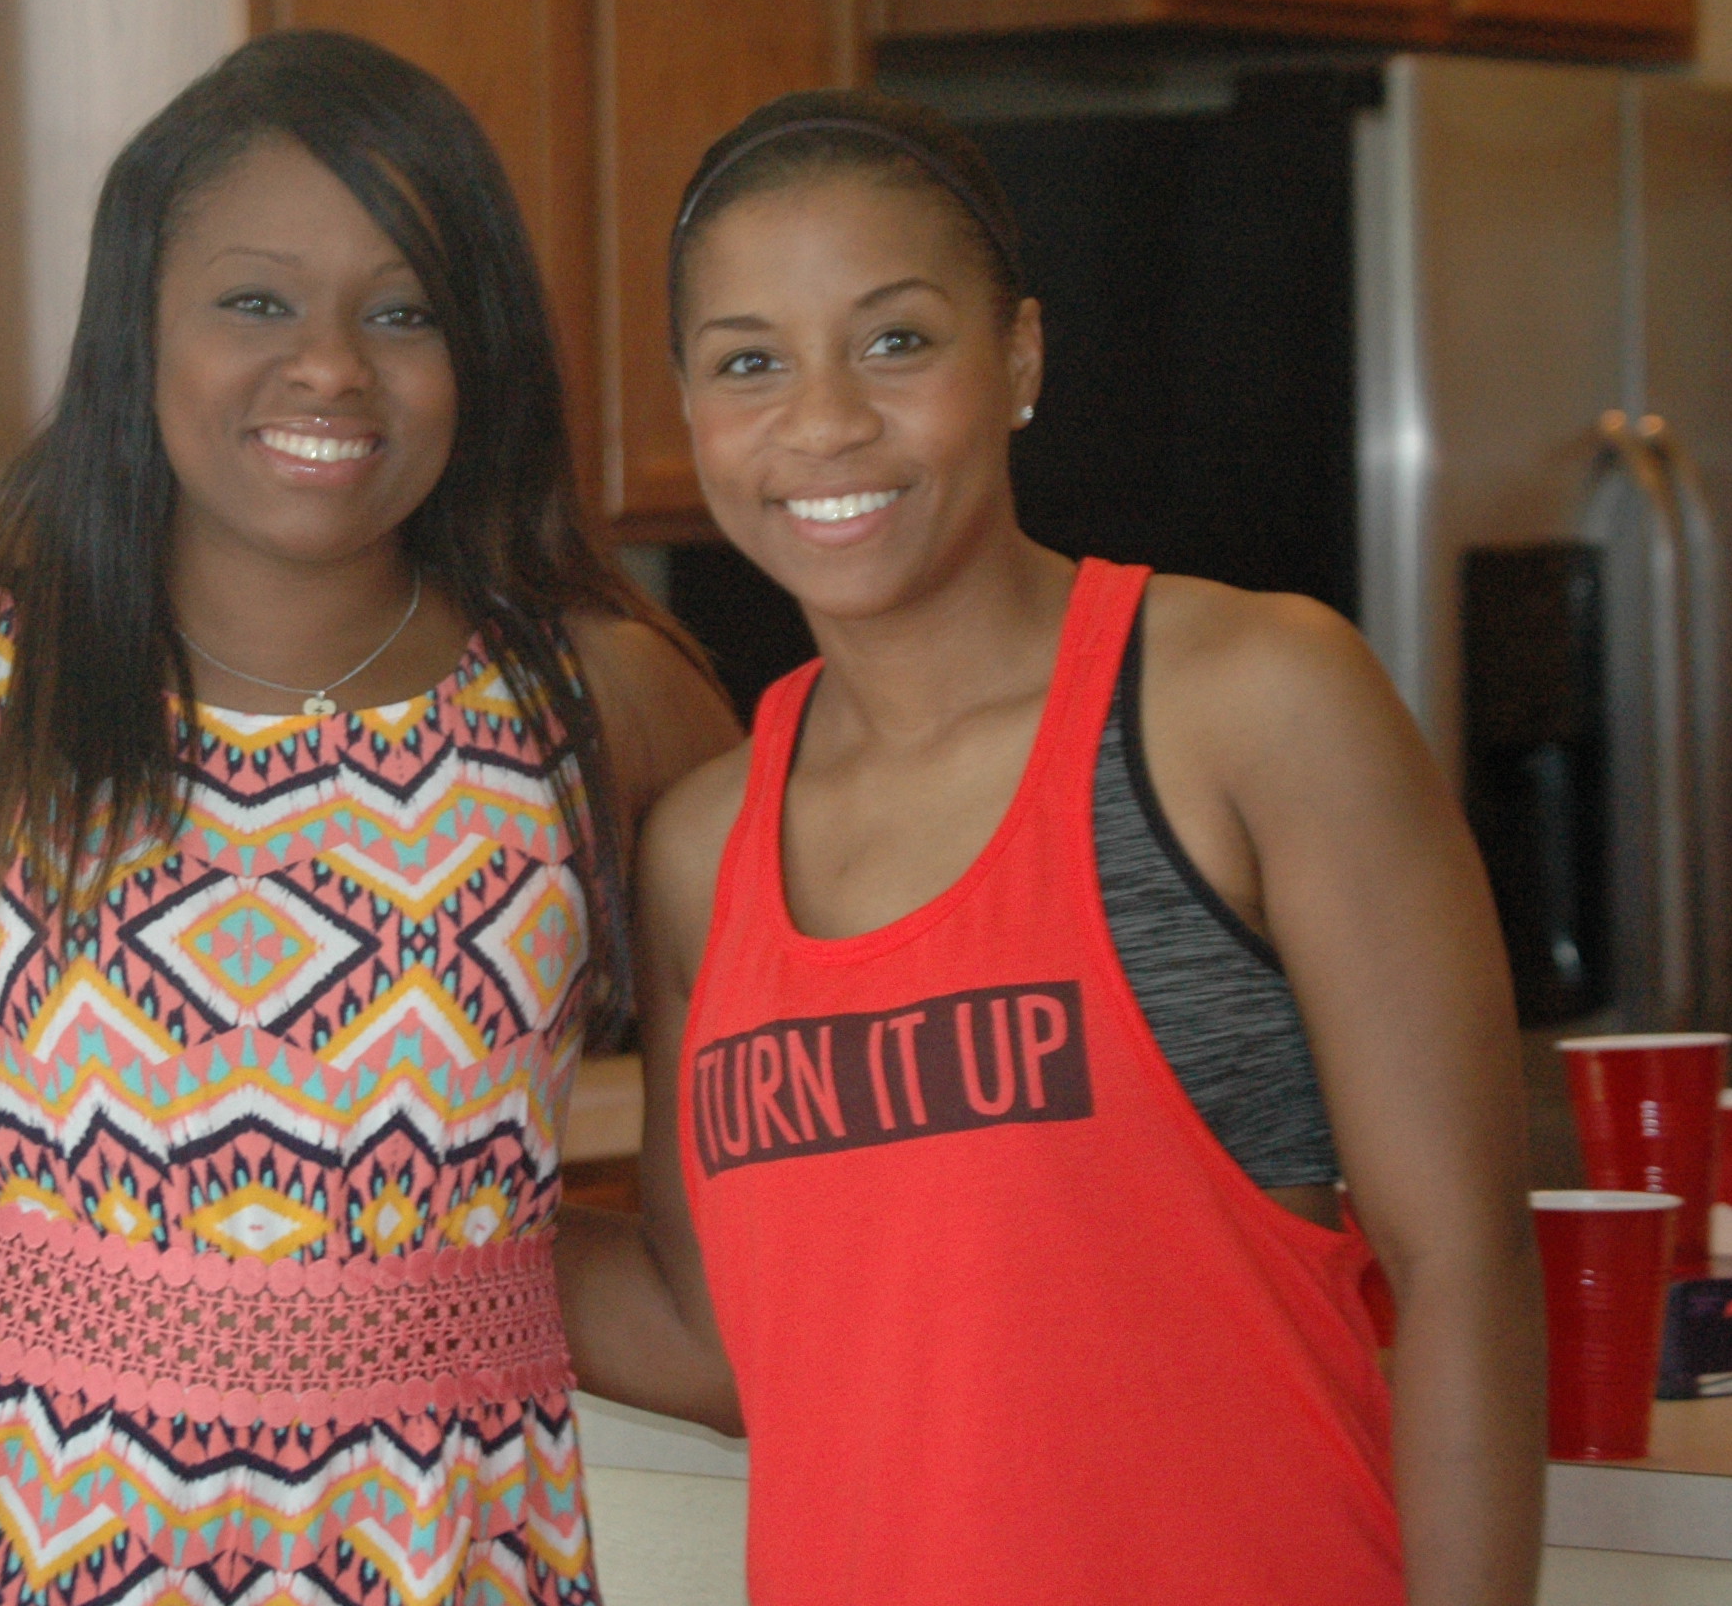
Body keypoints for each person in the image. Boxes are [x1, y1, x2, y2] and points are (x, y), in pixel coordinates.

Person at [0, 30, 741, 1605]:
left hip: (431, 1551)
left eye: (404, 311)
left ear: (482, 350)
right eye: (257, 303)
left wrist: (399, 1283)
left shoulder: (607, 703)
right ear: (137, 331)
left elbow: (756, 1238)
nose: (332, 367)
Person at [561, 88, 1546, 1603]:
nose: (823, 420)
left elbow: (1462, 1263)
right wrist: (358, 1215)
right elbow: (716, 1343)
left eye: (896, 341)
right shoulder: (707, 846)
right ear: (689, 408)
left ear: (1018, 357)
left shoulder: (1247, 705)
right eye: (750, 362)